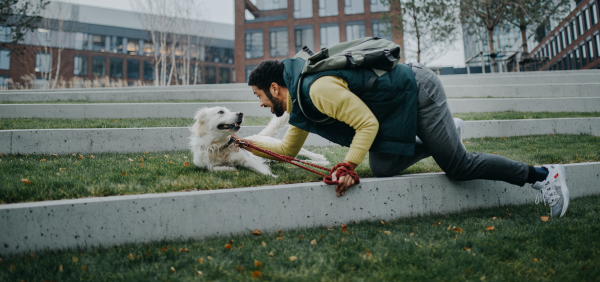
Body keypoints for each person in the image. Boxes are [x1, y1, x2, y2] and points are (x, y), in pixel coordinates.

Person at [237, 59, 569, 218]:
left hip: (417, 90)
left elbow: (366, 124)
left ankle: (542, 175)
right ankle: (448, 132)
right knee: (383, 166)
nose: (262, 104)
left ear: (275, 88)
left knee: (458, 166)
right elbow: (286, 149)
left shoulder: (316, 90)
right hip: (394, 111)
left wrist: (349, 165)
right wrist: (242, 144)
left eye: (259, 96)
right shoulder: (300, 108)